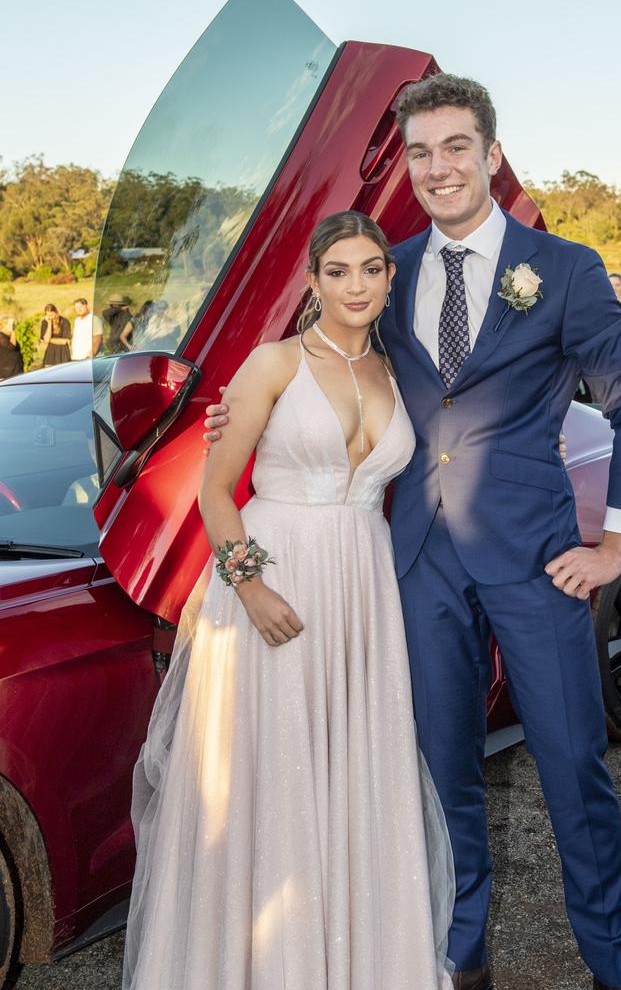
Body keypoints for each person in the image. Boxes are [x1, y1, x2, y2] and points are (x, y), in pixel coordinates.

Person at [206, 74, 621, 990]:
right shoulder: (391, 267)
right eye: (420, 152)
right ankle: (459, 957)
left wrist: (615, 541)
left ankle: (618, 966)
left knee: (574, 771)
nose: (438, 167)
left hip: (540, 564)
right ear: (405, 166)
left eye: (457, 146)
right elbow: (317, 367)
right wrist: (238, 416)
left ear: (492, 155)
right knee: (439, 775)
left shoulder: (564, 268)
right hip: (411, 567)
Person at [122, 212, 455, 990]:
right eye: (337, 271)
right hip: (271, 580)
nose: (356, 285)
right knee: (269, 778)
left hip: (361, 591)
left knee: (354, 770)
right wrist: (251, 587)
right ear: (312, 281)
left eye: (371, 269)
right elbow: (214, 492)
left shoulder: (396, 371)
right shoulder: (271, 364)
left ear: (389, 276)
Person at [0, 316, 24, 380]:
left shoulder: (9, 337)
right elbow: (12, 346)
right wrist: (13, 331)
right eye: (11, 325)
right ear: (5, 325)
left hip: (16, 371)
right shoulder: (1, 336)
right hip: (7, 373)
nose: (13, 326)